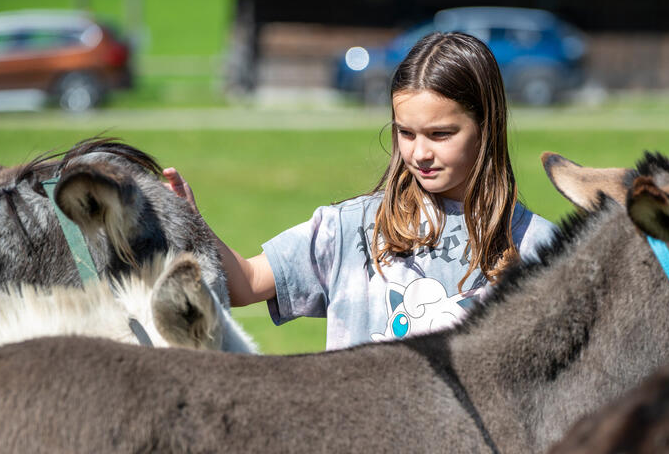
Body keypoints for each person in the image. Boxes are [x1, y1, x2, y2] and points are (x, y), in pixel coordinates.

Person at [164, 31, 557, 350]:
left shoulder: (541, 248)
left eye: (441, 134)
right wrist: (191, 223)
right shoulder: (348, 229)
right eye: (406, 133)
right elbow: (245, 283)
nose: (419, 153)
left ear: (486, 128)